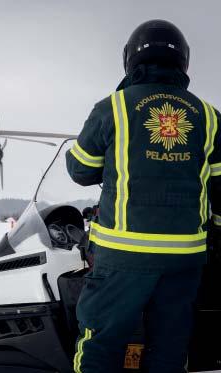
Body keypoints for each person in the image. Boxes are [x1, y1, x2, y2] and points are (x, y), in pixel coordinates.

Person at [66, 20, 221, 373]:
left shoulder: (114, 108)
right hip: (185, 258)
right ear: (184, 61)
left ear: (129, 60)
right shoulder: (210, 117)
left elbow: (80, 171)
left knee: (100, 342)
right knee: (169, 348)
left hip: (123, 255)